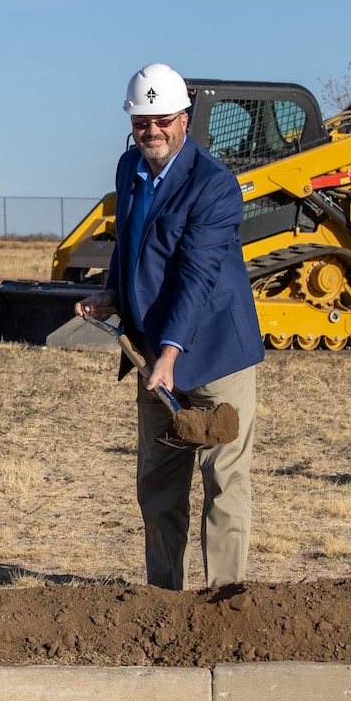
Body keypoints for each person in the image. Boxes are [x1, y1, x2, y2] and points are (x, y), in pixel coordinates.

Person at [76, 64, 264, 590]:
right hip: (153, 357)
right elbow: (128, 242)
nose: (151, 131)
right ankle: (165, 596)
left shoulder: (214, 186)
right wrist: (112, 292)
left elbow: (197, 277)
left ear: (184, 119)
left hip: (214, 354)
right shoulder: (128, 167)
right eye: (141, 122)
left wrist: (170, 353)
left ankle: (225, 599)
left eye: (162, 120)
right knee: (158, 483)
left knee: (224, 479)